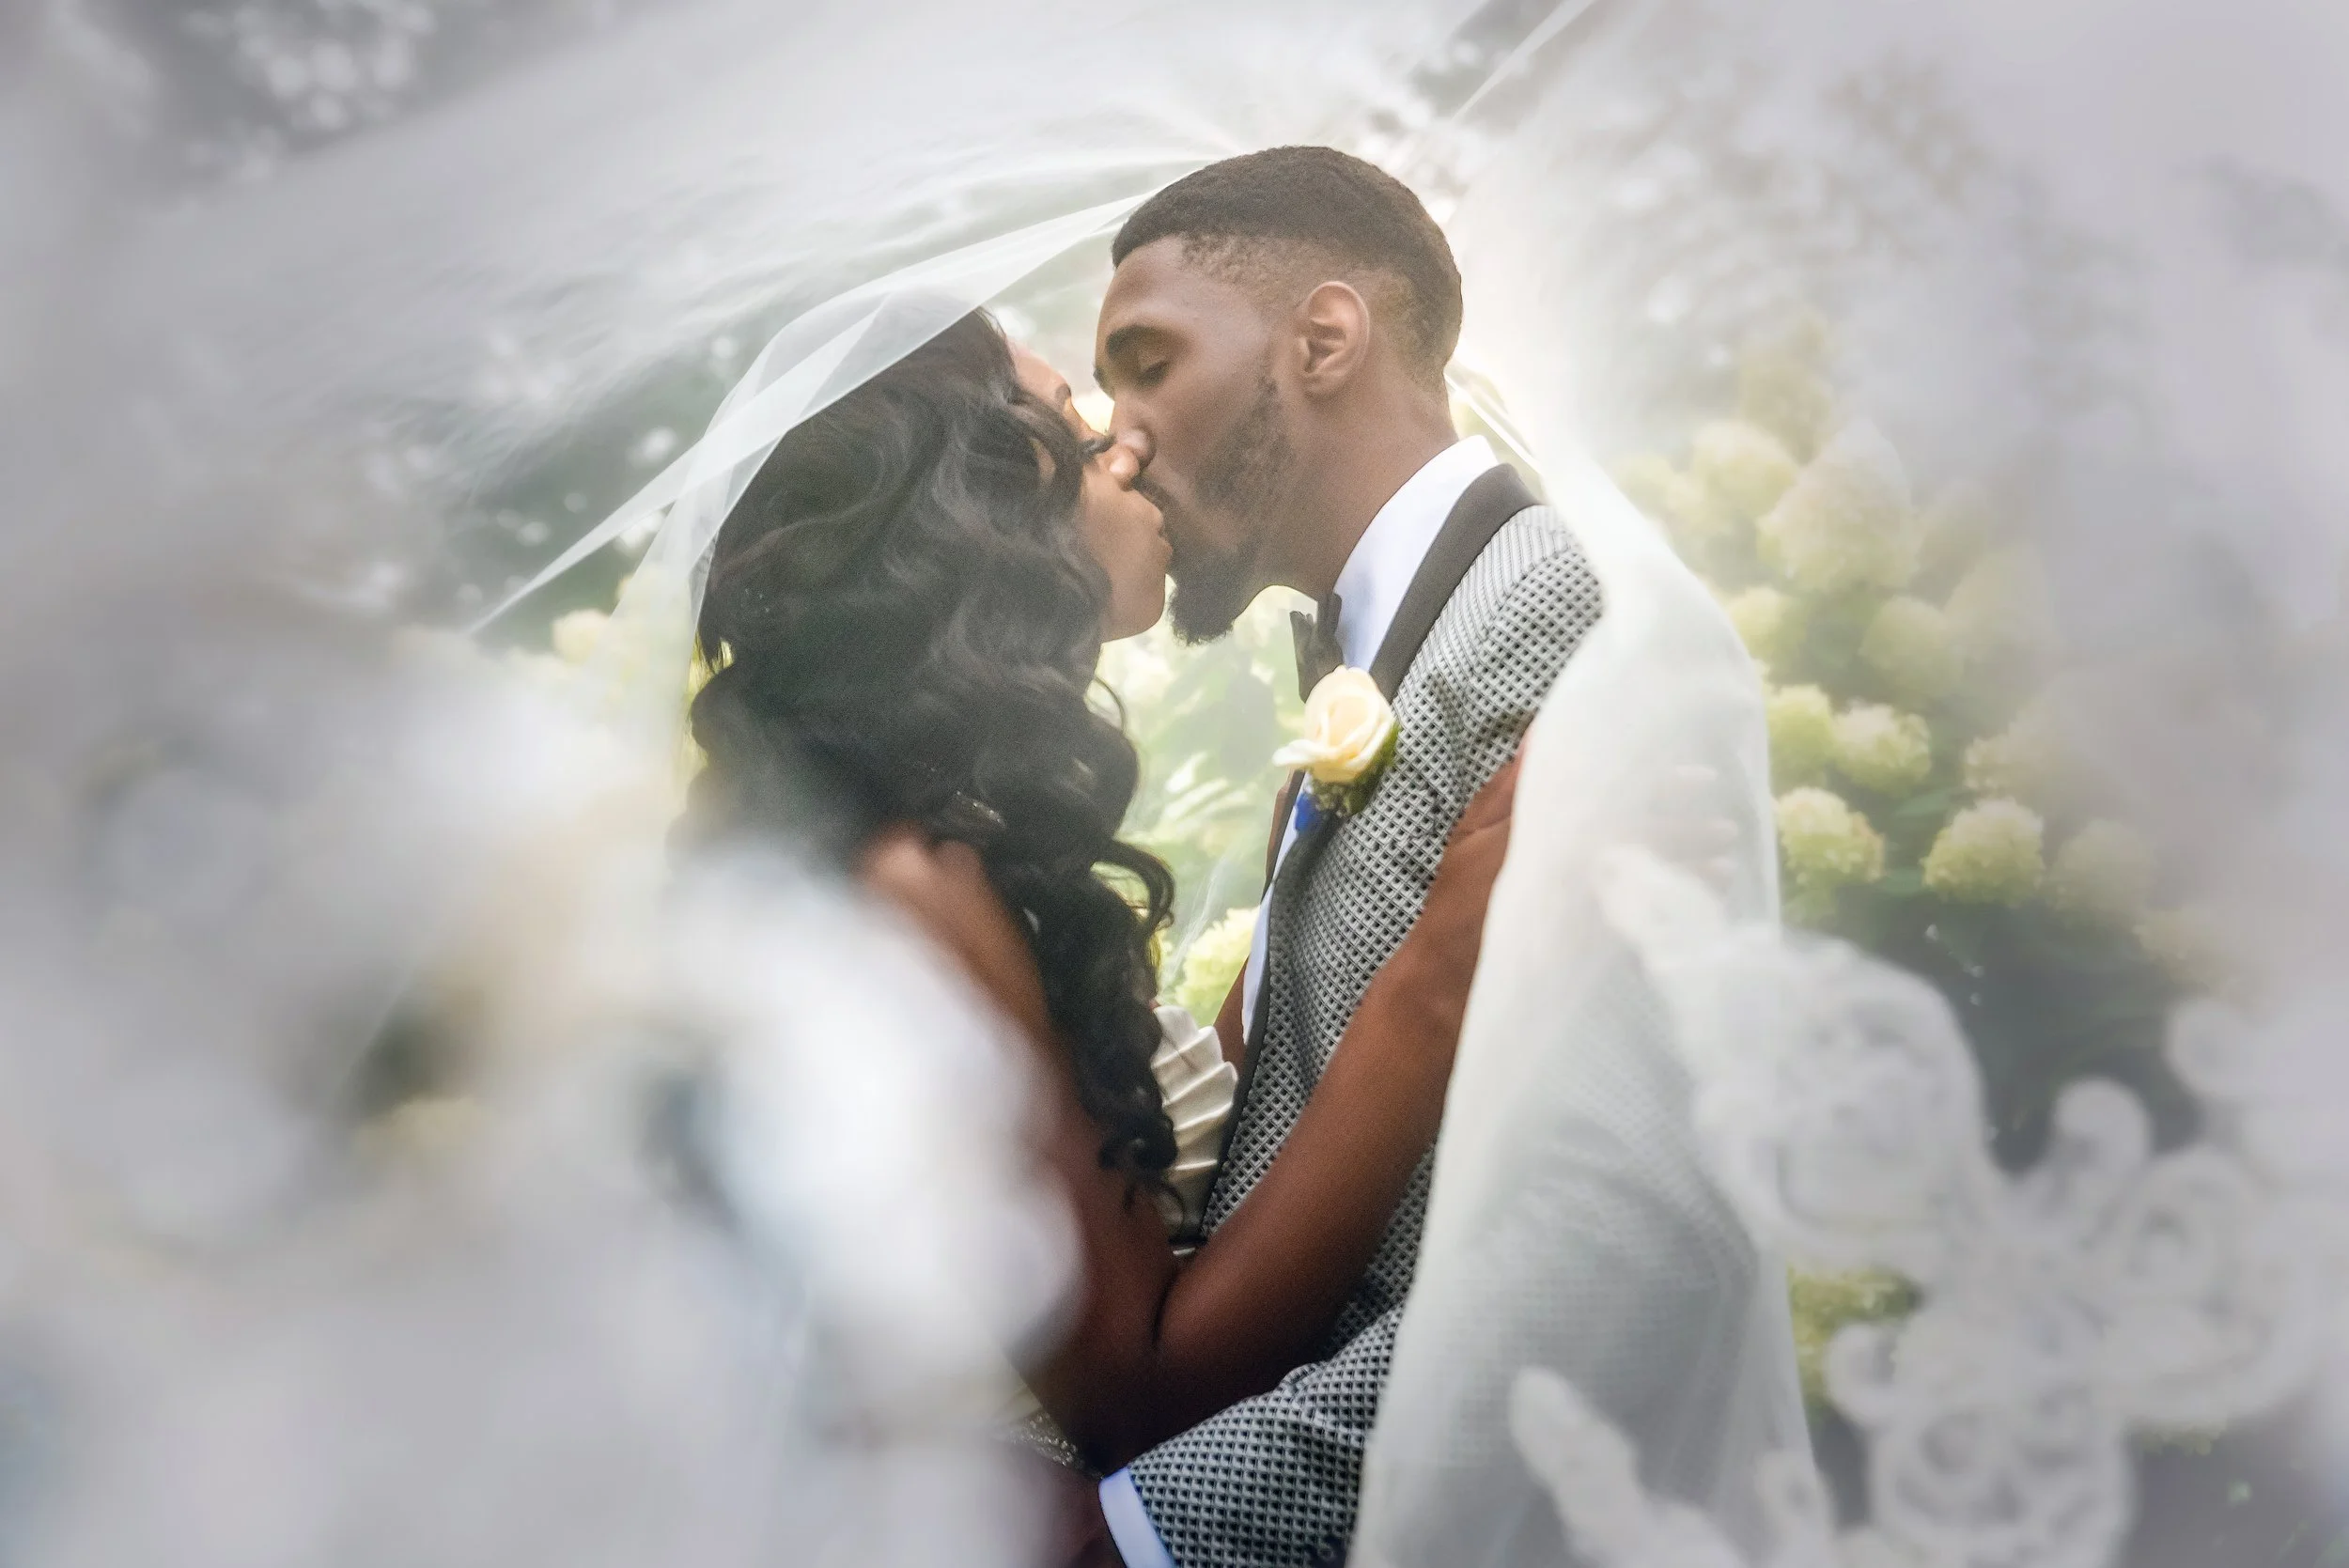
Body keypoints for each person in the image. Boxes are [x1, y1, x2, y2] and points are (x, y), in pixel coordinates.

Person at [680, 307, 1520, 1481]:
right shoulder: (913, 881)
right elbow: (1139, 1394)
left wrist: (1304, 889)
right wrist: (1440, 977)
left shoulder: (950, 838)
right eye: (1074, 424)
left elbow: (1163, 1177)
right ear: (982, 516)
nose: (1124, 446)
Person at [1072, 146, 1610, 1568]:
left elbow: (1587, 1256)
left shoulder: (1555, 619)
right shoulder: (1375, 650)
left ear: (1321, 338)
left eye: (1147, 360)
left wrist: (1135, 1533)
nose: (1114, 439)